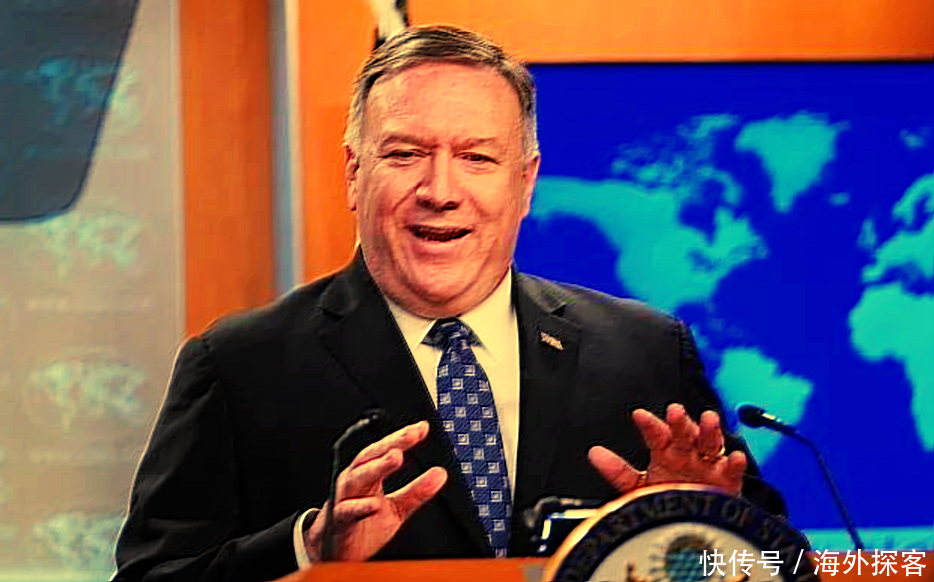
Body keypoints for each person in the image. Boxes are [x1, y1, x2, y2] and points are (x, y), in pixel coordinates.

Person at [112, 25, 785, 582]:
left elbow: (784, 562)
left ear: (525, 183)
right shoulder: (239, 365)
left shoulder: (644, 351)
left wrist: (703, 523)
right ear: (354, 174)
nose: (440, 190)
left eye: (477, 158)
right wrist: (309, 547)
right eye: (406, 153)